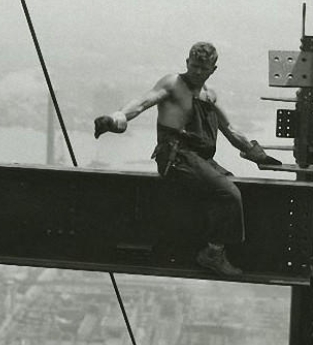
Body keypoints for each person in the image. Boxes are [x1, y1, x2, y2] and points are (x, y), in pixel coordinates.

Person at [94, 42, 280, 277]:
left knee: (234, 187)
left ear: (213, 69)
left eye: (204, 68)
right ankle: (212, 253)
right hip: (176, 156)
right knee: (229, 193)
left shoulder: (209, 96)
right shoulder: (173, 84)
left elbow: (231, 130)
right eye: (194, 66)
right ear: (187, 63)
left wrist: (257, 154)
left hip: (198, 159)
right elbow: (142, 103)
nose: (198, 72)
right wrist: (116, 119)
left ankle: (209, 240)